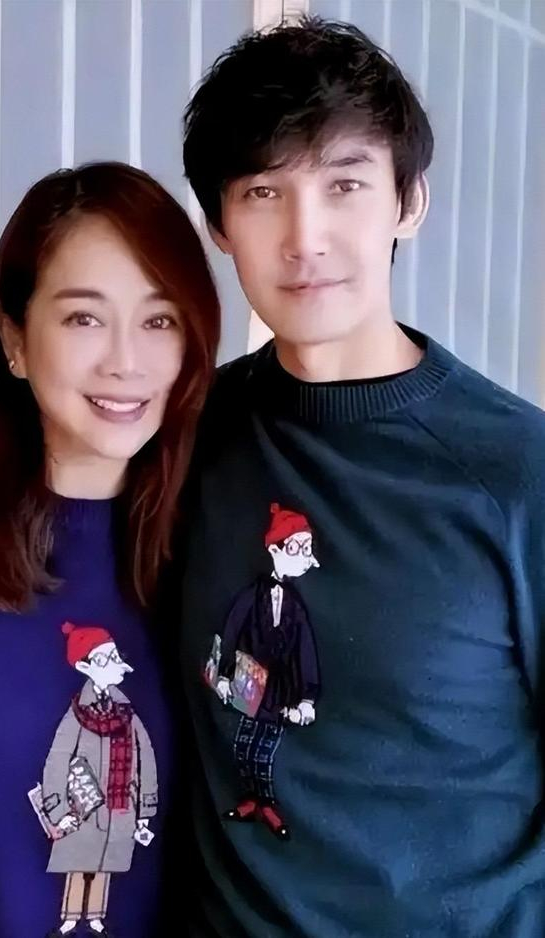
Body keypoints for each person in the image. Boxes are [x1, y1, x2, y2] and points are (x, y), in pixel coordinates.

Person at [179, 17, 545, 938]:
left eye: (345, 184)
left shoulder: (517, 472)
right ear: (219, 224)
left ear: (408, 202)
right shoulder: (182, 437)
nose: (305, 238)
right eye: (264, 192)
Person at [0, 161, 219, 938]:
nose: (125, 362)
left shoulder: (212, 542)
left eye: (160, 321)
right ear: (14, 338)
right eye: (83, 319)